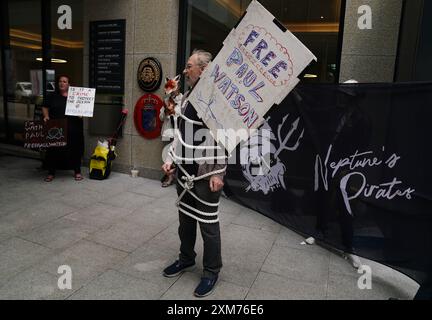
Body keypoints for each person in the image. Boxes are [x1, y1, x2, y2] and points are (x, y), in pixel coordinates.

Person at [161, 49, 227, 297]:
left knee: (208, 224)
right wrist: (171, 160)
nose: (185, 70)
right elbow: (181, 132)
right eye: (187, 66)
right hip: (185, 169)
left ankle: (211, 271)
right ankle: (186, 257)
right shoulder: (189, 96)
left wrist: (218, 173)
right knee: (186, 220)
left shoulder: (215, 99)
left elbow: (223, 139)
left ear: (204, 69)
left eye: (190, 66)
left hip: (205, 172)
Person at [42, 75, 84, 182]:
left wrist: (81, 114)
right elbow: (45, 106)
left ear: (69, 84)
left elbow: (83, 109)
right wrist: (46, 116)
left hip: (73, 128)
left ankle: (77, 171)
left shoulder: (75, 97)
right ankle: (51, 172)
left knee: (75, 149)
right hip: (56, 128)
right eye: (60, 81)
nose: (62, 83)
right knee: (53, 150)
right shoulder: (53, 96)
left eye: (65, 81)